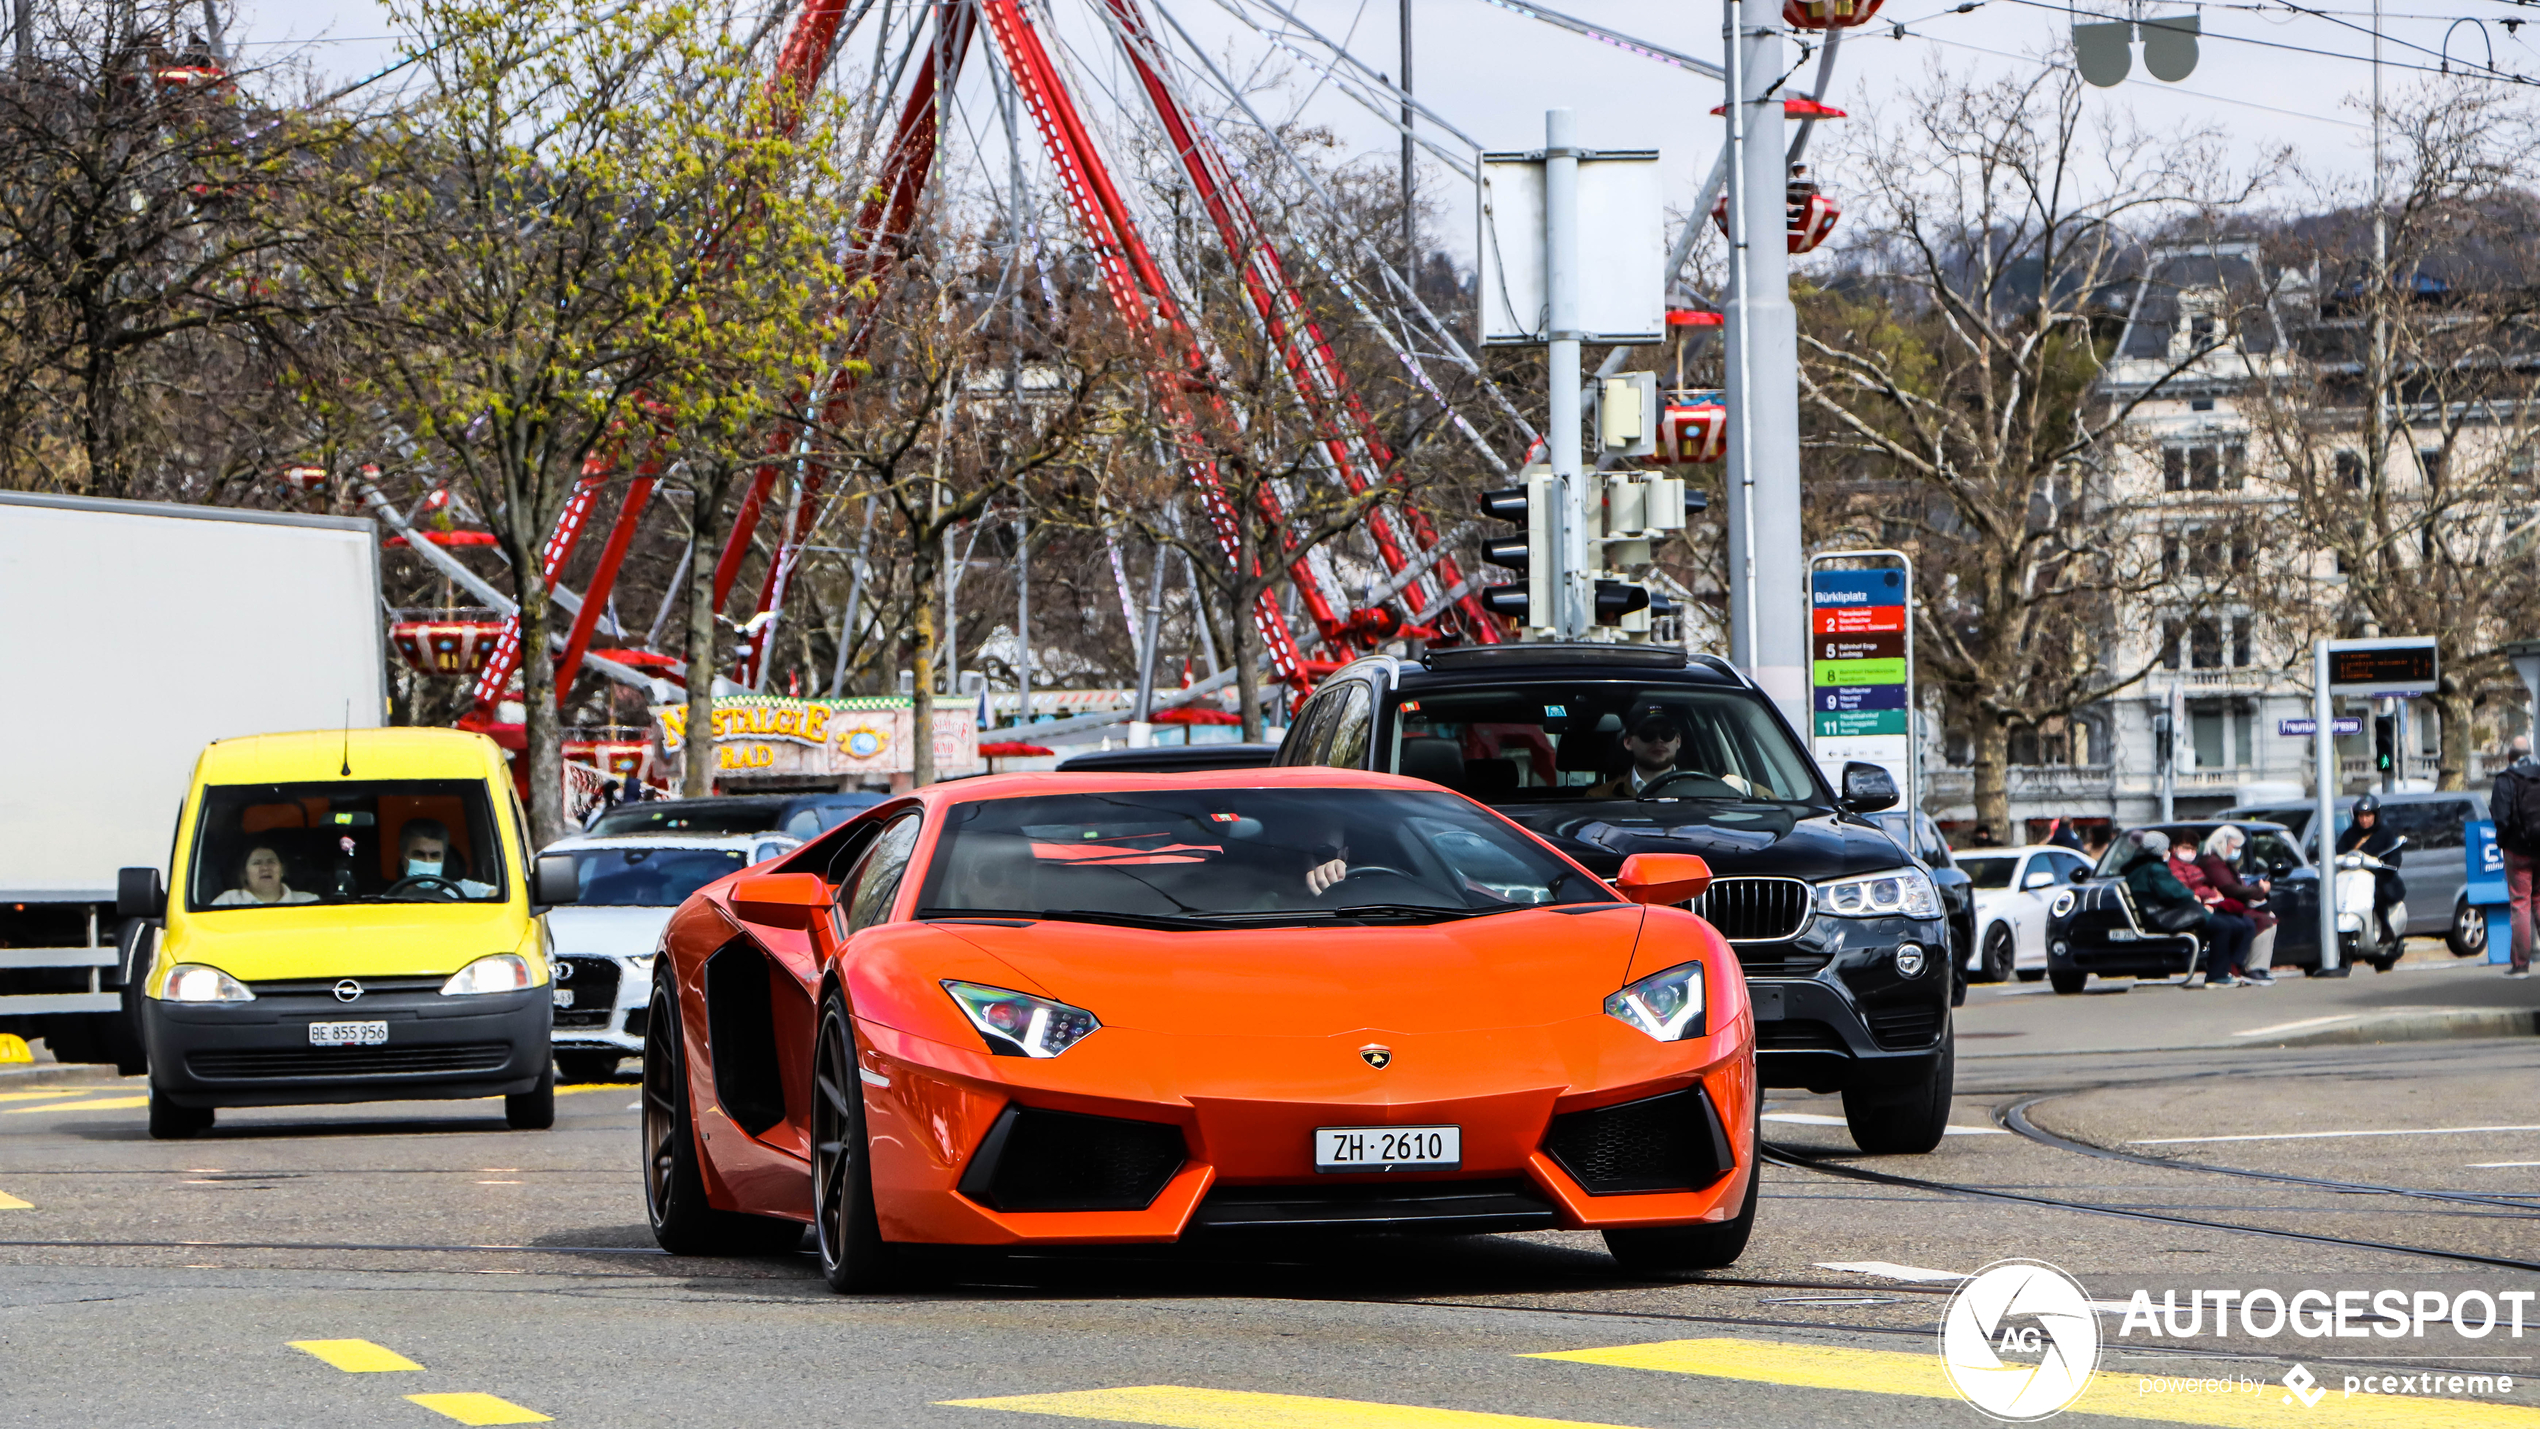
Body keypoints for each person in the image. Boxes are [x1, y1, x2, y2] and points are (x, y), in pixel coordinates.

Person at [2169, 835, 2255, 987]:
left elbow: (2199, 888)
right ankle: (2217, 973)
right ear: (2174, 848)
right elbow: (2186, 890)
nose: (2190, 852)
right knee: (2226, 926)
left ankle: (2230, 968)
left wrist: (2208, 894)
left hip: (2200, 907)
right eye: (2186, 848)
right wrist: (2208, 894)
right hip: (2189, 911)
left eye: (2193, 849)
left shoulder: (2193, 867)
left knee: (2245, 923)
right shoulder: (2175, 867)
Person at [2198, 826, 2276, 985]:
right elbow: (2230, 888)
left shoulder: (2223, 862)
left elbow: (2236, 887)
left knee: (2264, 918)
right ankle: (2251, 967)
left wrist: (2255, 891)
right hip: (2223, 907)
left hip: (2229, 906)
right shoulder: (2213, 862)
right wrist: (2259, 890)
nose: (2237, 851)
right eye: (2235, 847)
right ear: (2222, 843)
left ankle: (2255, 967)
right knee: (2262, 920)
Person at [2491, 735, 2539, 980]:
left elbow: (2500, 819)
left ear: (2510, 756)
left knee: (2521, 904)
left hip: (2518, 852)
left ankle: (2521, 964)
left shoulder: (2505, 780)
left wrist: (2505, 841)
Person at [2335, 793, 2408, 951]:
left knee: (2377, 894)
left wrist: (2387, 865)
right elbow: (2338, 852)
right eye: (2361, 816)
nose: (2364, 819)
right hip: (2353, 878)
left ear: (2375, 816)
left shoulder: (2385, 833)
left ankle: (2386, 927)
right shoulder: (2349, 834)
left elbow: (2394, 855)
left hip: (2380, 879)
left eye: (2368, 815)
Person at [1588, 711, 1685, 797]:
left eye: (1667, 733)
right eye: (1648, 733)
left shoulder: (1698, 790)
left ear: (1678, 741)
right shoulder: (1599, 797)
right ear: (1628, 742)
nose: (1658, 740)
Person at [397, 819, 495, 897]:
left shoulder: (464, 889)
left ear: (443, 858)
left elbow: (497, 896)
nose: (427, 861)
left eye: (434, 855)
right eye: (419, 854)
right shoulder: (388, 898)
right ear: (402, 857)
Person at [209, 844, 318, 906]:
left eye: (271, 862)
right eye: (257, 863)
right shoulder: (228, 901)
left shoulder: (308, 901)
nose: (265, 868)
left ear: (282, 870)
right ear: (244, 874)